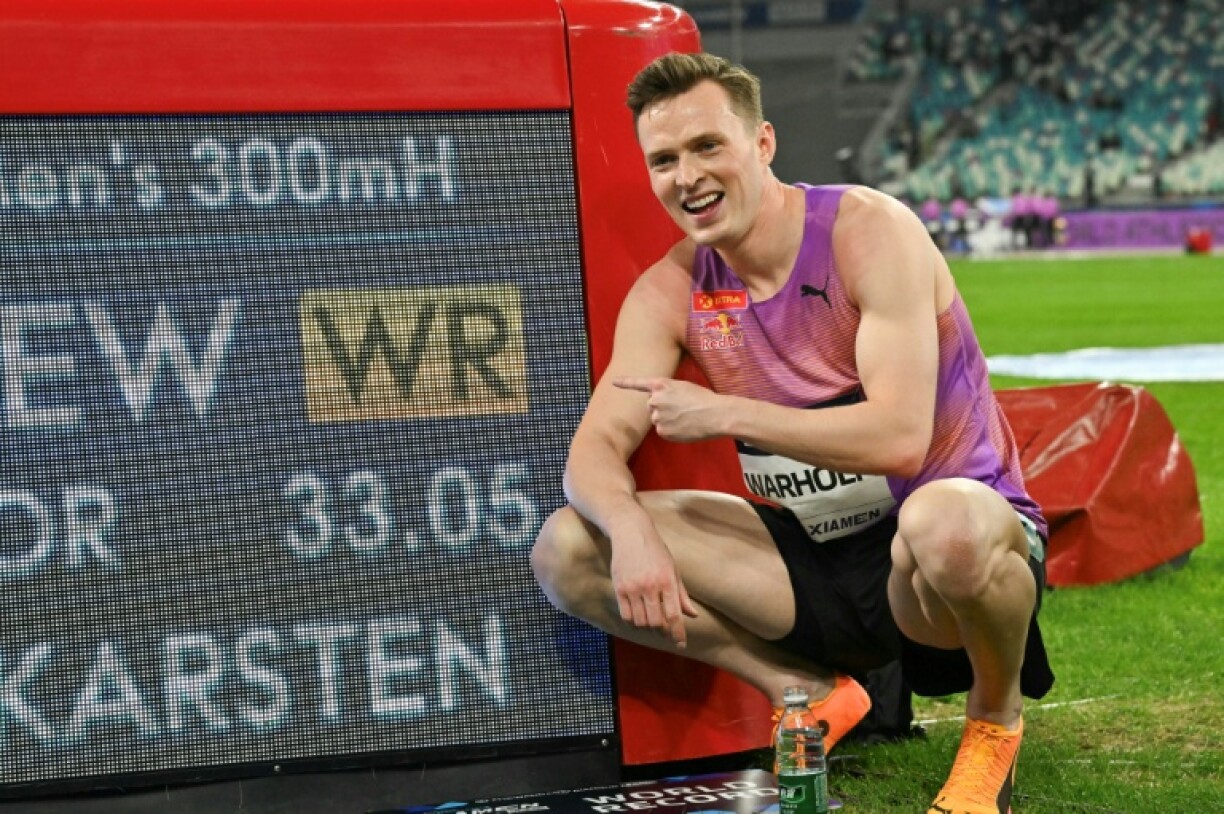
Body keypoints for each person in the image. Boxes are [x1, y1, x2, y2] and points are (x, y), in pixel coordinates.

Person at [531, 52, 1054, 814]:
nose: (689, 176)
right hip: (812, 566)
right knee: (567, 549)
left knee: (944, 523)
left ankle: (993, 725)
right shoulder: (671, 290)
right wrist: (630, 528)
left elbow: (902, 438)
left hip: (935, 569)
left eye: (709, 146)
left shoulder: (866, 232)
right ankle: (805, 692)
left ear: (763, 143)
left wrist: (728, 413)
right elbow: (593, 452)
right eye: (665, 159)